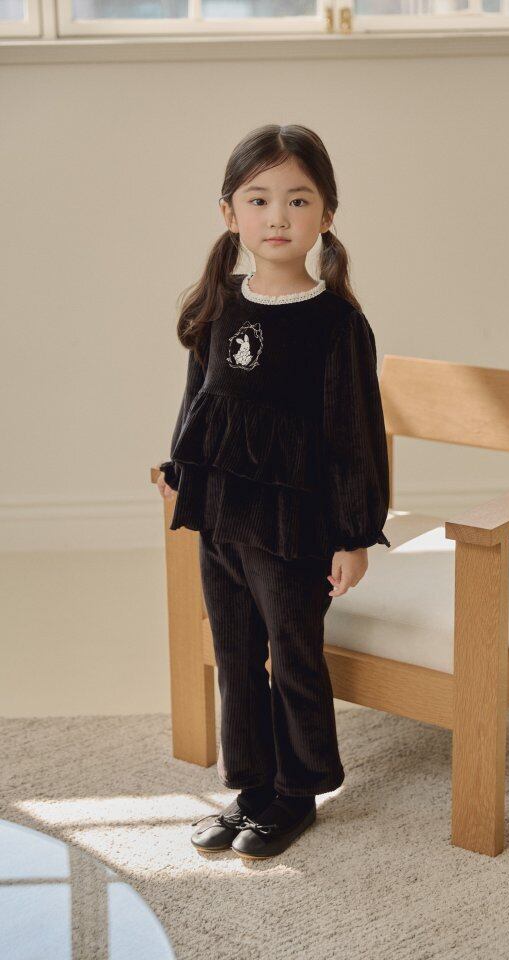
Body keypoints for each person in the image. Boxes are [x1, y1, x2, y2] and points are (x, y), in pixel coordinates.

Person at [155, 123, 390, 861]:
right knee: (234, 653)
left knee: (292, 656)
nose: (278, 217)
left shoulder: (336, 325)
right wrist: (180, 474)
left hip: (293, 529)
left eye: (298, 199)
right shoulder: (220, 304)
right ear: (230, 214)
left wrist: (354, 535)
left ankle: (297, 791)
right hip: (221, 519)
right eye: (258, 200)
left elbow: (355, 435)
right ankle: (252, 786)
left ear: (327, 214)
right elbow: (198, 403)